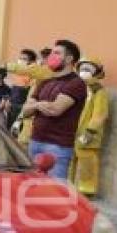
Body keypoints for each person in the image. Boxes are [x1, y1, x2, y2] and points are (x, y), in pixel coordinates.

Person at [21, 39, 88, 180]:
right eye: (52, 53)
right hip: (35, 142)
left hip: (58, 147)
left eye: (57, 53)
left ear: (69, 58)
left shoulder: (76, 83)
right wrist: (39, 105)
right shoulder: (45, 82)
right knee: (32, 187)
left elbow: (56, 110)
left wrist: (36, 104)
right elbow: (26, 111)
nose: (52, 56)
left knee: (54, 191)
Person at [69, 57, 109, 197]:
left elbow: (100, 114)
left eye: (88, 69)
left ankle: (87, 191)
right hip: (72, 131)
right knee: (70, 161)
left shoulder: (99, 91)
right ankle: (68, 188)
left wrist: (90, 131)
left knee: (87, 164)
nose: (84, 71)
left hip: (88, 134)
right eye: (82, 68)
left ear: (96, 72)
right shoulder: (77, 88)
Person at [7, 47, 54, 148]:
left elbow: (28, 70)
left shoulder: (46, 71)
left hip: (35, 113)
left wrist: (7, 66)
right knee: (19, 140)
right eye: (42, 58)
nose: (41, 61)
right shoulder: (37, 76)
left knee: (25, 144)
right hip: (27, 110)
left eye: (44, 58)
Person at [6, 48, 37, 127]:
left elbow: (31, 92)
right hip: (12, 106)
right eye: (20, 58)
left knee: (18, 129)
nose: (21, 60)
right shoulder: (17, 73)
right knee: (9, 127)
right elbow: (13, 89)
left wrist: (25, 107)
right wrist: (8, 101)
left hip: (22, 107)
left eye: (24, 59)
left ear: (31, 62)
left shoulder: (32, 74)